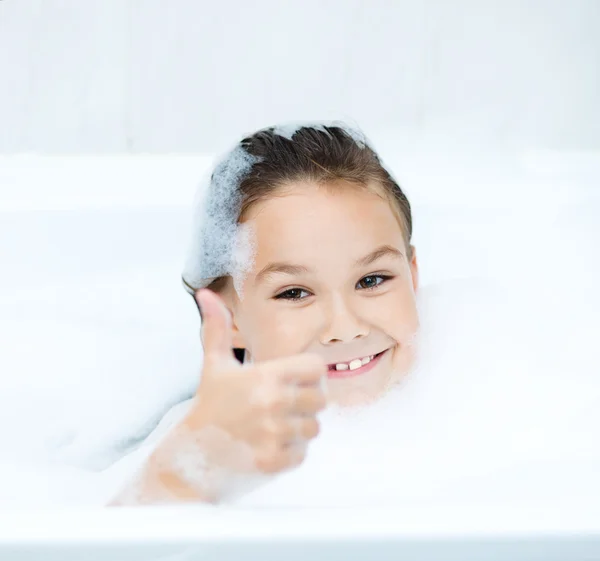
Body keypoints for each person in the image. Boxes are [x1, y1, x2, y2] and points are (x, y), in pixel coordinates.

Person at [110, 122, 420, 505]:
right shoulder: (212, 454)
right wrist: (189, 468)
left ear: (413, 274)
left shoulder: (491, 393)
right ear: (229, 319)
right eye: (294, 292)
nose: (345, 329)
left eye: (372, 280)